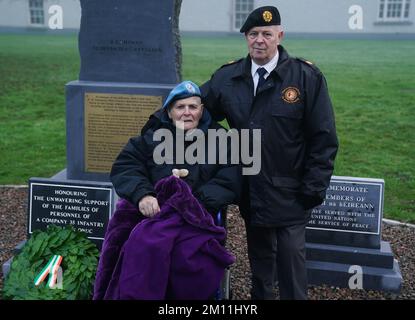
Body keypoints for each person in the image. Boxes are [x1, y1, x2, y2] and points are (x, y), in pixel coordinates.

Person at [200, 6, 339, 299]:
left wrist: (313, 189)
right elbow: (193, 112)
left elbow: (323, 139)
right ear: (246, 38)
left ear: (280, 35)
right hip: (252, 190)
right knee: (261, 268)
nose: (259, 40)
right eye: (253, 34)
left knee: (291, 267)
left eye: (266, 33)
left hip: (292, 192)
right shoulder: (229, 78)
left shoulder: (305, 77)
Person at [93, 81, 241, 299]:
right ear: (169, 112)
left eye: (193, 106)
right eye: (180, 107)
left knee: (185, 257)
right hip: (152, 212)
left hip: (197, 215)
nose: (187, 113)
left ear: (201, 110)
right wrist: (143, 195)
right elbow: (126, 166)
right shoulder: (151, 137)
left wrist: (193, 202)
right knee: (141, 245)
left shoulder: (223, 140)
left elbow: (231, 178)